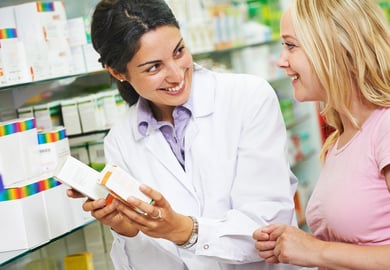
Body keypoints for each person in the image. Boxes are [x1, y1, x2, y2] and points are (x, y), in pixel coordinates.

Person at [66, 0, 301, 269]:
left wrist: (184, 231)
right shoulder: (119, 142)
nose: (177, 75)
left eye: (178, 52)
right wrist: (127, 231)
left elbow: (268, 228)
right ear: (117, 72)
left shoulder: (249, 97)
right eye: (154, 67)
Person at [252, 0, 390, 269]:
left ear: (336, 48)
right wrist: (293, 242)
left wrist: (315, 250)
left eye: (290, 45)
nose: (282, 61)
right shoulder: (340, 139)